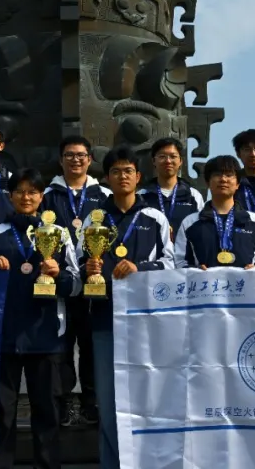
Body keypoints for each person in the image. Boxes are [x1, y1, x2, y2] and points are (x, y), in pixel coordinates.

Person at [0, 168, 80, 469]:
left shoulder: (58, 234)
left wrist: (58, 276)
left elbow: (76, 284)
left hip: (46, 335)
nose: (26, 197)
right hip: (3, 336)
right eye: (19, 191)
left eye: (32, 191)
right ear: (10, 197)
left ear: (41, 196)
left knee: (47, 414)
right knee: (2, 414)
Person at [79, 146, 174, 469]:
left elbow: (172, 264)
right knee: (108, 402)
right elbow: (76, 263)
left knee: (149, 398)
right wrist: (89, 267)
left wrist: (139, 268)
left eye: (128, 171)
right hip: (105, 320)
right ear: (107, 178)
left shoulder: (154, 217)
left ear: (138, 176)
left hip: (147, 322)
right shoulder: (94, 219)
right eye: (116, 171)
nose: (123, 176)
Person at [41, 135, 110, 427]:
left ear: (90, 159)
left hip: (95, 278)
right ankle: (66, 401)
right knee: (63, 345)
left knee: (92, 344)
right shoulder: (48, 194)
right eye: (69, 155)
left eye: (81, 155)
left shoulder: (103, 194)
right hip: (61, 279)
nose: (75, 160)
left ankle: (92, 402)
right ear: (61, 160)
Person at [173, 155, 255, 269]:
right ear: (207, 182)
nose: (223, 179)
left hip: (245, 281)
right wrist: (195, 272)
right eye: (217, 175)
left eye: (229, 175)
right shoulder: (190, 223)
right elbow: (180, 261)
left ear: (238, 184)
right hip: (204, 281)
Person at [138, 137, 205, 241]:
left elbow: (201, 229)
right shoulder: (141, 196)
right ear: (154, 161)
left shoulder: (193, 196)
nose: (168, 161)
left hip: (184, 251)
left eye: (173, 156)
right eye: (162, 156)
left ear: (180, 161)